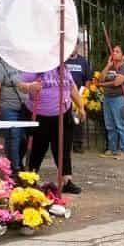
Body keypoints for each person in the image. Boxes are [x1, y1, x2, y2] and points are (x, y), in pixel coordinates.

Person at [19, 64, 84, 195]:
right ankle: (30, 178)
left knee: (63, 147)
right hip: (40, 114)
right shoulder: (36, 67)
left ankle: (66, 181)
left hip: (63, 114)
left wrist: (80, 106)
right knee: (38, 147)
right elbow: (20, 85)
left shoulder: (64, 69)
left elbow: (71, 87)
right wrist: (30, 87)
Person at [0, 58, 35, 171]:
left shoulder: (25, 65)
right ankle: (14, 167)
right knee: (13, 136)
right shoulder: (0, 67)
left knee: (24, 138)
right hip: (8, 108)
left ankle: (16, 161)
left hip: (25, 108)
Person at [101, 45, 124, 156]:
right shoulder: (110, 67)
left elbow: (116, 83)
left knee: (121, 124)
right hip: (108, 98)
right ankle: (112, 148)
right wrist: (108, 65)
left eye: (117, 51)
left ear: (123, 56)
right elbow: (101, 77)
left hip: (119, 98)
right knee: (109, 125)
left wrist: (102, 84)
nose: (114, 53)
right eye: (113, 51)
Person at [64, 40, 93, 153]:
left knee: (78, 120)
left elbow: (88, 79)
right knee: (65, 120)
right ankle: (65, 143)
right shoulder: (63, 60)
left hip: (78, 95)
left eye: (74, 45)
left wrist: (84, 93)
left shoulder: (83, 61)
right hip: (64, 95)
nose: (73, 48)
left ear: (77, 47)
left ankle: (78, 144)